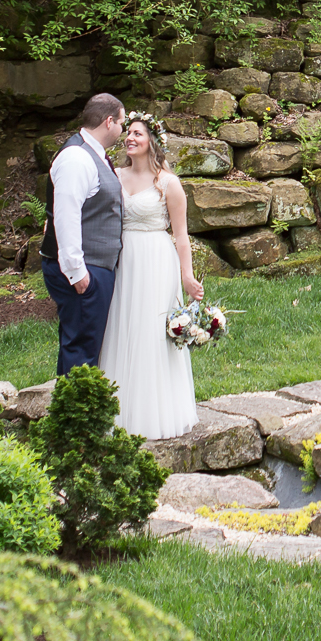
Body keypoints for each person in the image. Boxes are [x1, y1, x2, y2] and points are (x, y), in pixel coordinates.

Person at [100, 111, 201, 439]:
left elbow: (181, 235)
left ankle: (153, 413)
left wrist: (187, 276)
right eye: (128, 132)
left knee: (151, 333)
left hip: (156, 261)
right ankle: (118, 411)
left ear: (152, 142)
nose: (129, 138)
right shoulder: (114, 175)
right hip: (122, 260)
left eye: (137, 134)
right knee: (121, 326)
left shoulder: (168, 183)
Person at [41, 93, 126, 376]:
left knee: (85, 345)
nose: (123, 130)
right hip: (83, 270)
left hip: (94, 265)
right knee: (81, 350)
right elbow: (65, 217)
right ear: (109, 121)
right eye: (122, 123)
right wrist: (78, 273)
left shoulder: (92, 154)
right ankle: (74, 417)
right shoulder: (76, 158)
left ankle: (75, 410)